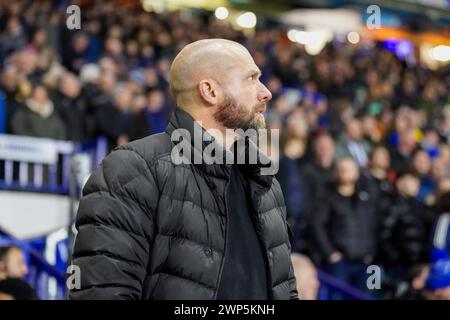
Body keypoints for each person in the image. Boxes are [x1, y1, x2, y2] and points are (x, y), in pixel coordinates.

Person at [69, 39, 298, 300]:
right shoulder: (134, 169)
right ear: (210, 91)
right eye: (251, 78)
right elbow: (103, 293)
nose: (266, 92)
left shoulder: (266, 182)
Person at [311, 157, 378, 297]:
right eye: (341, 169)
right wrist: (330, 253)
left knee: (367, 296)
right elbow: (317, 225)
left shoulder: (365, 198)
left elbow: (373, 224)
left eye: (349, 169)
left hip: (365, 261)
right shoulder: (327, 197)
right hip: (339, 262)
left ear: (357, 173)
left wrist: (371, 252)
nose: (345, 172)